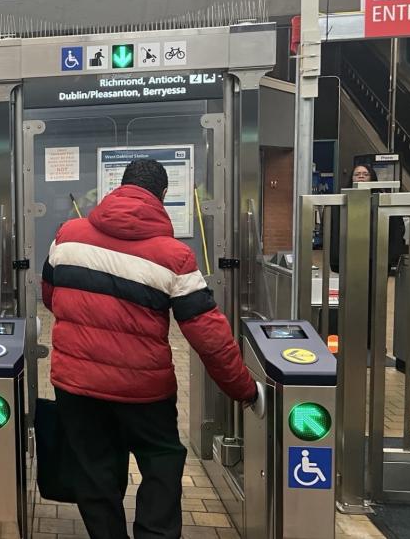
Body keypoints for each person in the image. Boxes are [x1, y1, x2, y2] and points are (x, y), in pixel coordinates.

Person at [41, 159, 258, 539]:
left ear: (118, 187)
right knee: (162, 461)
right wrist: (243, 389)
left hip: (77, 385)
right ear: (161, 196)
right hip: (143, 392)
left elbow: (50, 296)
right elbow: (209, 336)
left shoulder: (67, 236)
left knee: (95, 470)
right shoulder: (175, 256)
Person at [329, 164, 406, 274]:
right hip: (349, 255)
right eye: (357, 174)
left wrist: (392, 255)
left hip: (377, 255)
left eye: (365, 174)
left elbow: (397, 229)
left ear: (372, 177)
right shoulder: (341, 202)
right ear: (351, 178)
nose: (361, 176)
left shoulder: (383, 200)